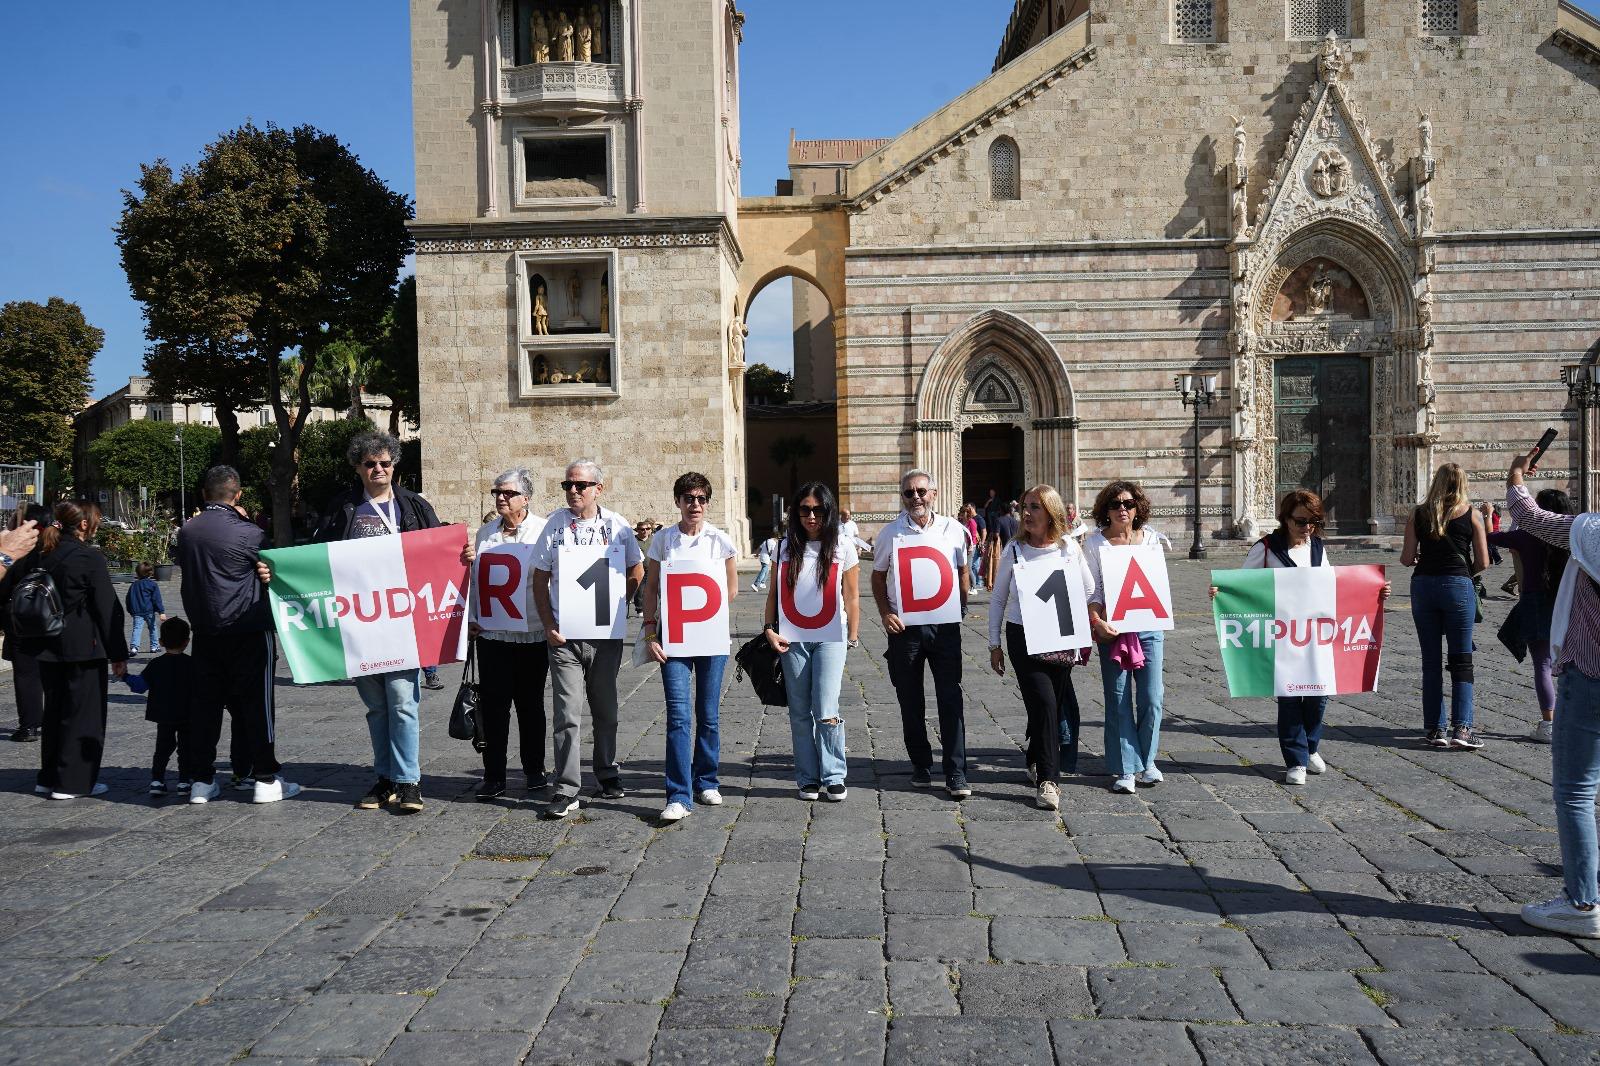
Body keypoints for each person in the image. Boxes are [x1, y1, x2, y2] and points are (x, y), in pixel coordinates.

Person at [264, 432, 460, 813]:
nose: (378, 469)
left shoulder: (414, 507)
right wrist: (278, 571)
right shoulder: (344, 508)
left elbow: (439, 551)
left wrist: (462, 552)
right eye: (370, 463)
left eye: (385, 463)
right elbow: (315, 558)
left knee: (403, 701)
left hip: (403, 621)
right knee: (376, 706)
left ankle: (408, 781)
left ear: (394, 465)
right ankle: (385, 776)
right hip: (361, 625)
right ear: (358, 467)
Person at [1212, 490, 1390, 785]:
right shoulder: (1266, 548)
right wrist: (1222, 593)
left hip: (1317, 636)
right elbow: (1242, 587)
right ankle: (1295, 760)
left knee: (1319, 695)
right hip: (1284, 637)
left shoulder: (1317, 547)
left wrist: (1375, 592)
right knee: (1291, 697)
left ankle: (1310, 745)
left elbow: (1335, 585)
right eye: (1300, 521)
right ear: (1284, 518)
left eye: (1313, 521)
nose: (1307, 527)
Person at [1505, 450, 1600, 937]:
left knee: (1577, 792)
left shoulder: (1592, 533)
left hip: (1591, 675)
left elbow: (1530, 518)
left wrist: (1518, 476)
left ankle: (1582, 904)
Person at [178, 466, 300, 805]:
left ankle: (201, 779)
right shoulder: (249, 533)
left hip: (205, 631)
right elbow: (271, 571)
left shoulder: (188, 531)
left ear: (205, 493)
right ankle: (264, 777)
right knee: (257, 706)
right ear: (238, 494)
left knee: (205, 707)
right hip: (247, 628)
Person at [532, 459, 644, 819]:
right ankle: (566, 787)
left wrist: (617, 604)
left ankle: (607, 770)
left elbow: (636, 570)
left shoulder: (617, 526)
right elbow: (539, 578)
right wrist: (549, 624)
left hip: (604, 637)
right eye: (568, 485)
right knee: (566, 711)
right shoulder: (554, 524)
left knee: (606, 709)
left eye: (580, 485)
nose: (573, 491)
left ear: (599, 487)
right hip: (564, 636)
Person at [11, 500, 127, 800]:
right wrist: (118, 653)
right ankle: (72, 781)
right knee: (83, 714)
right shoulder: (88, 557)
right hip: (83, 646)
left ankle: (48, 776)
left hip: (46, 643)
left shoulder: (41, 553)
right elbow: (107, 609)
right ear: (85, 524)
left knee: (55, 713)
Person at [988, 485, 1094, 811]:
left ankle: (1035, 757)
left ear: (1051, 512)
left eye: (1035, 507)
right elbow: (998, 599)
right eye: (1025, 507)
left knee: (1050, 703)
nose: (1028, 513)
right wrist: (994, 644)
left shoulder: (1068, 549)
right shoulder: (1014, 550)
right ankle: (1050, 780)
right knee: (1046, 702)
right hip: (1023, 635)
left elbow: (1089, 589)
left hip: (1061, 634)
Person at [640, 472, 738, 822]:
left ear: (707, 503)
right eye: (688, 498)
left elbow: (730, 589)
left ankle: (707, 779)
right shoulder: (664, 540)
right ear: (678, 502)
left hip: (710, 638)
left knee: (708, 716)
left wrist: (706, 617)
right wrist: (651, 631)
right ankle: (678, 795)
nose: (694, 504)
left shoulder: (720, 541)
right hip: (674, 639)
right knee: (679, 717)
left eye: (700, 499)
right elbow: (651, 588)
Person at [872, 468, 971, 797]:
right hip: (905, 629)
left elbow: (962, 571)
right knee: (910, 699)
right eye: (909, 493)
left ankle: (956, 771)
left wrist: (962, 607)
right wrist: (886, 613)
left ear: (934, 494)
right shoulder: (890, 533)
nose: (916, 497)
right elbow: (877, 576)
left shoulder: (954, 530)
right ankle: (921, 763)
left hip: (944, 627)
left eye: (921, 491)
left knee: (950, 697)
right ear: (902, 497)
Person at [765, 482, 860, 802]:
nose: (811, 515)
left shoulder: (843, 546)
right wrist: (768, 628)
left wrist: (854, 635)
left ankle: (834, 774)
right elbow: (774, 594)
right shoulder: (784, 547)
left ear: (829, 511)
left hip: (831, 635)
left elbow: (852, 594)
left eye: (818, 509)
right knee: (799, 711)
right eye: (804, 509)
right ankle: (807, 777)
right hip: (793, 637)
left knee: (825, 707)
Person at [468, 468, 549, 801]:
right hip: (494, 634)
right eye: (496, 493)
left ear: (525, 498)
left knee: (531, 705)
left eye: (508, 493)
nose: (501, 498)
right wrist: (472, 618)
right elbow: (476, 580)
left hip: (532, 633)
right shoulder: (485, 533)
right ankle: (494, 775)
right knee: (494, 706)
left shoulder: (544, 531)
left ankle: (534, 771)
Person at [1084, 480, 1168, 794]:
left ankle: (1147, 761)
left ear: (1138, 508)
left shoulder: (1151, 541)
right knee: (1118, 699)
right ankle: (1125, 767)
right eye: (1116, 504)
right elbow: (1093, 590)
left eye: (1129, 503)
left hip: (1148, 626)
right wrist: (1095, 621)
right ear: (1105, 509)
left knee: (1152, 697)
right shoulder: (1095, 543)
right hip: (1113, 628)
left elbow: (1157, 585)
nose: (1123, 509)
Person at [1402, 462, 1489, 750]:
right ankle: (1462, 730)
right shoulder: (1472, 514)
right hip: (1457, 585)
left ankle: (1435, 729)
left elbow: (1405, 558)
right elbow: (1484, 562)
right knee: (1461, 661)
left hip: (1424, 585)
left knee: (1430, 662)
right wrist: (1464, 572)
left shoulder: (1418, 513)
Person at [1491, 488, 1575, 744]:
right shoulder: (1573, 535)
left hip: (1535, 601)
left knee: (1542, 664)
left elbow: (1491, 538)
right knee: (1574, 665)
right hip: (1568, 601)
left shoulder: (1526, 536)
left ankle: (1549, 723)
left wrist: (1486, 516)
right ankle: (1574, 720)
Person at [125, 617, 196, 796]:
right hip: (187, 713)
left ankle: (157, 780)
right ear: (187, 642)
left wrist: (125, 676)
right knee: (186, 748)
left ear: (161, 642)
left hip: (163, 714)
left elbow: (139, 686)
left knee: (162, 748)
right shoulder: (192, 664)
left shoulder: (156, 664)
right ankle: (184, 782)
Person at [1, 505, 50, 743]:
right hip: (50, 617)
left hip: (21, 617)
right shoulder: (54, 547)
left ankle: (29, 725)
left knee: (26, 673)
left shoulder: (18, 549)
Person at [125, 562, 165, 656]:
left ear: (137, 573)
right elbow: (156, 599)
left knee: (137, 628)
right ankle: (154, 646)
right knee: (153, 628)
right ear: (151, 573)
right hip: (149, 611)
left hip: (137, 612)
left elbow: (128, 599)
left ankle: (134, 647)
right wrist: (161, 611)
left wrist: (131, 610)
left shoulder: (133, 585)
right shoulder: (152, 585)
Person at [753, 527, 780, 592]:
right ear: (776, 537)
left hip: (762, 556)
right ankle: (755, 584)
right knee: (764, 570)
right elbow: (772, 552)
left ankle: (762, 583)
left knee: (767, 570)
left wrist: (756, 554)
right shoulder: (773, 542)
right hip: (766, 558)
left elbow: (759, 548)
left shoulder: (766, 541)